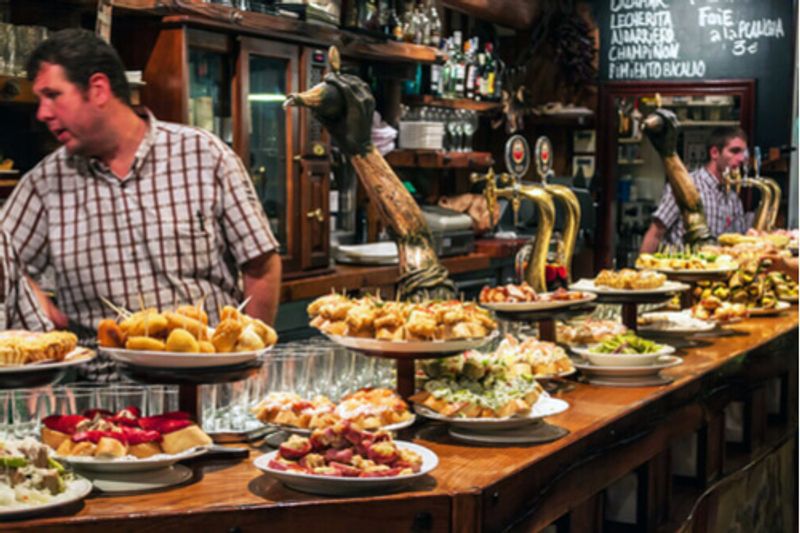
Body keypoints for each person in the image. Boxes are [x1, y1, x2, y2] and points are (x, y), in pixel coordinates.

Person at [1, 28, 281, 335]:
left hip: (207, 373)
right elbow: (4, 257)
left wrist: (252, 357)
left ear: (98, 89)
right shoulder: (45, 184)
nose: (42, 113)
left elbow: (261, 266)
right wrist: (32, 298)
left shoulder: (205, 156)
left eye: (53, 96)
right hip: (105, 378)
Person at [640, 126, 749, 253]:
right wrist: (642, 270)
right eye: (735, 151)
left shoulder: (733, 198)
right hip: (682, 268)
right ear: (714, 153)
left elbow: (738, 244)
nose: (741, 158)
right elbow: (656, 233)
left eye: (743, 152)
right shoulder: (685, 185)